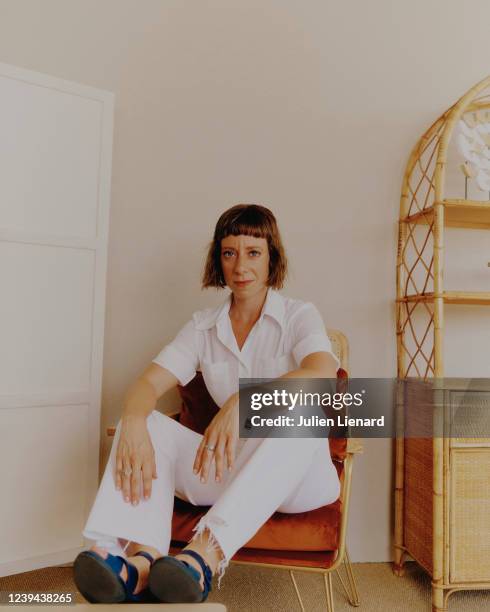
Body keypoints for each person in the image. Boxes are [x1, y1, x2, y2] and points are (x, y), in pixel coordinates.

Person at [73, 204, 341, 604]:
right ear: (219, 259)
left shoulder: (299, 315)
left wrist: (242, 401)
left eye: (253, 252)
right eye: (229, 252)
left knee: (300, 414)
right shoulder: (202, 326)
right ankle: (136, 561)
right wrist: (132, 419)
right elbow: (148, 382)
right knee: (148, 424)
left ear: (272, 259)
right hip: (231, 467)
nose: (240, 266)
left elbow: (321, 375)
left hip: (300, 476)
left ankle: (202, 558)